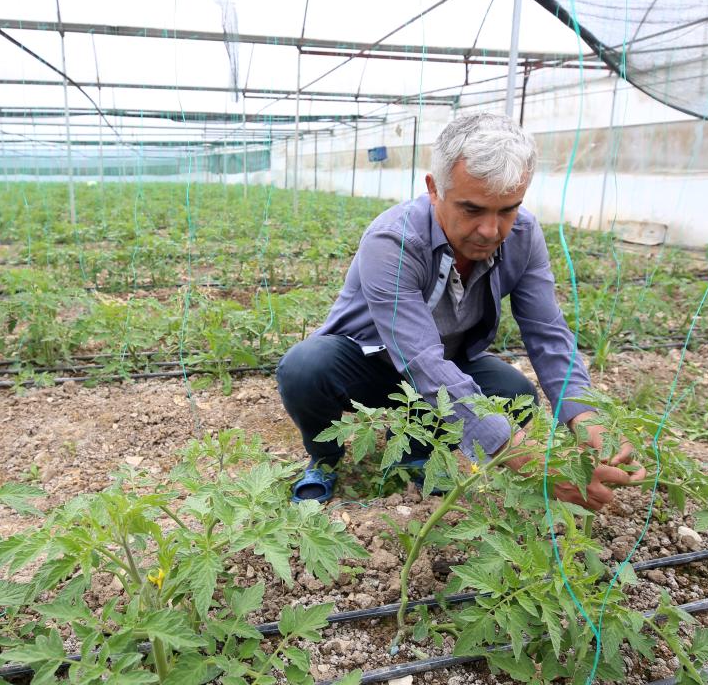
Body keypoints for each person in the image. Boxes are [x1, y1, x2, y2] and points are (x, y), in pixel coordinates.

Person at [275, 112, 643, 511]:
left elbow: (547, 332)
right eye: (472, 209)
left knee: (515, 393)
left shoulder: (523, 236)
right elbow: (420, 360)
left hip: (446, 363)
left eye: (508, 209)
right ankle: (325, 458)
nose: (491, 230)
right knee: (304, 367)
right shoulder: (393, 240)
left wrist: (584, 415)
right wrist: (529, 461)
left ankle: (416, 452)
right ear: (434, 189)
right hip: (365, 365)